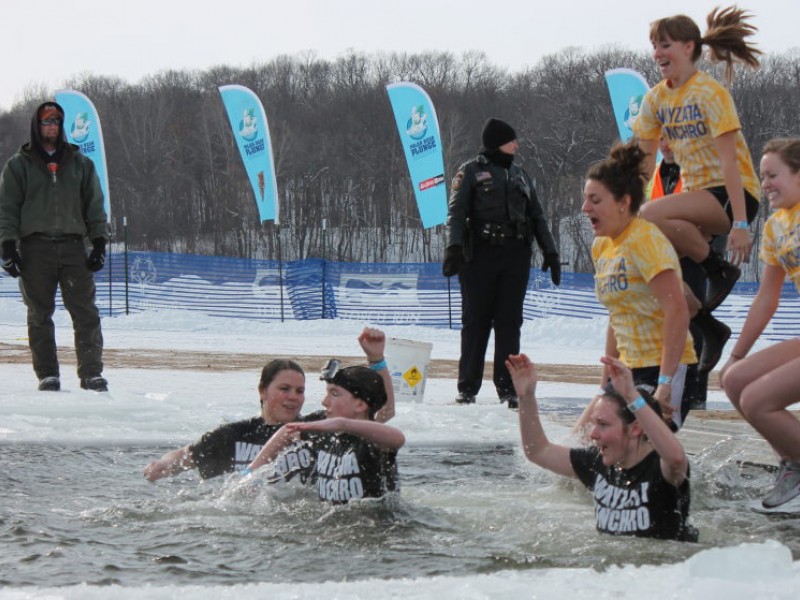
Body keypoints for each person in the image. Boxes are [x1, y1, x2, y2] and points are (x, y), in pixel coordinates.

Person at [633, 6, 762, 314]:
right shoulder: (655, 99)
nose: (657, 53)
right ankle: (706, 327)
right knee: (659, 258)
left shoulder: (710, 93)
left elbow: (730, 162)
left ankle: (719, 269)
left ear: (688, 47)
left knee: (648, 216)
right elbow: (644, 166)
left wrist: (741, 224)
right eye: (654, 46)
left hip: (733, 194)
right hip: (696, 196)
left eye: (665, 45)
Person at [144, 327, 395, 481]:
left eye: (300, 391)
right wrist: (164, 464)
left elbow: (381, 411)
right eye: (284, 389)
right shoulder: (235, 434)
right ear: (263, 391)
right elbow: (185, 455)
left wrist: (376, 360)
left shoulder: (314, 427)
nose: (293, 397)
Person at [510, 352, 696, 541]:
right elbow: (538, 451)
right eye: (594, 424)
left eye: (603, 424)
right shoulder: (599, 463)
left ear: (635, 429)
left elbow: (677, 458)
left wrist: (632, 396)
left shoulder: (661, 469)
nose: (592, 434)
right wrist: (526, 397)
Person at [442, 117, 560, 408]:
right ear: (497, 142)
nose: (516, 145)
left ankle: (507, 389)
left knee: (509, 323)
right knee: (476, 321)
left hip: (515, 255)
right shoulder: (470, 171)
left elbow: (538, 216)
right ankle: (467, 387)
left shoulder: (520, 175)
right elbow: (456, 212)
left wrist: (551, 252)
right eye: (511, 140)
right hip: (480, 255)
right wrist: (454, 248)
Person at [581, 141, 696, 429]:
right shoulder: (601, 246)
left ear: (624, 202)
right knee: (583, 440)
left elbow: (678, 309)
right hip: (627, 369)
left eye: (595, 200)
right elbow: (617, 315)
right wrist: (604, 381)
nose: (585, 208)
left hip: (664, 367)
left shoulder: (645, 240)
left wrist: (665, 384)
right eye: (585, 199)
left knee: (624, 442)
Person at [0, 101, 109, 392]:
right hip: (35, 250)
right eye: (47, 122)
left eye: (56, 122)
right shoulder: (18, 166)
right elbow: (7, 209)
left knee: (86, 313)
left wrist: (99, 242)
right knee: (39, 315)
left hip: (74, 248)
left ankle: (91, 373)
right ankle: (48, 375)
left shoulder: (80, 164)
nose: (52, 127)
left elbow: (95, 206)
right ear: (37, 127)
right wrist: (7, 247)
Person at [720, 138, 800, 509]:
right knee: (734, 380)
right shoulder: (775, 228)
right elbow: (767, 298)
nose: (764, 184)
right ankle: (793, 463)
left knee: (758, 400)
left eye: (773, 175)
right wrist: (737, 355)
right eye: (761, 176)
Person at [246, 364, 405, 504]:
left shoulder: (372, 441)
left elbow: (398, 439)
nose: (325, 401)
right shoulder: (324, 422)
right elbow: (288, 430)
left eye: (334, 394)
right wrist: (250, 473)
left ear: (360, 404)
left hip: (378, 528)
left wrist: (342, 424)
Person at [649, 137, 724, 416]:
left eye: (671, 139)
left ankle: (695, 397)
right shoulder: (655, 173)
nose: (665, 145)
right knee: (664, 328)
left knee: (693, 328)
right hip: (660, 260)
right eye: (661, 139)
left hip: (692, 260)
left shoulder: (698, 172)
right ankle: (665, 391)